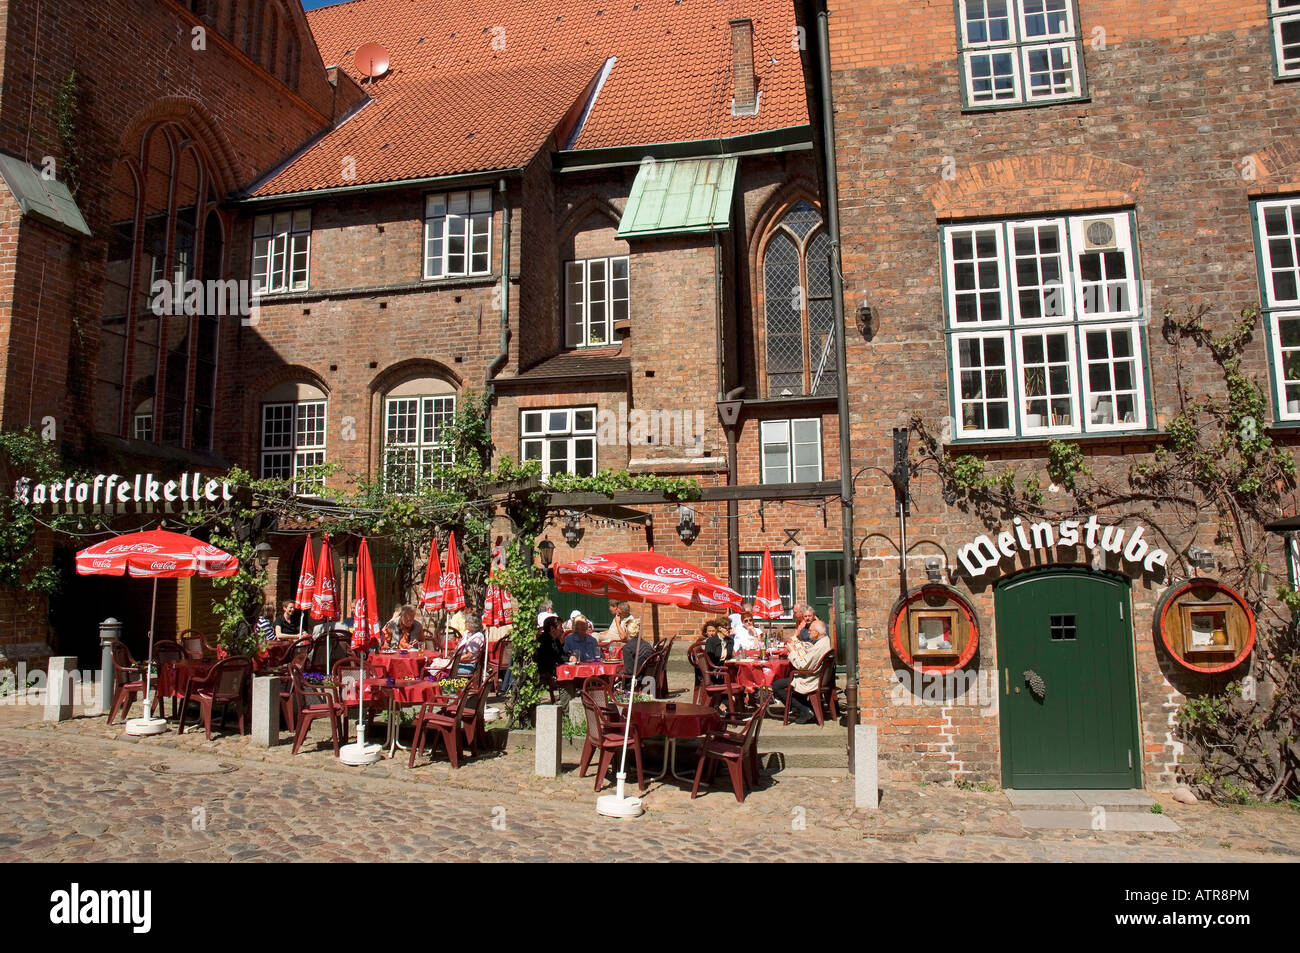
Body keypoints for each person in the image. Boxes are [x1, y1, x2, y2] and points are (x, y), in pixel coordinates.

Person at [771, 610, 833, 724]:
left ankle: (804, 710)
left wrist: (791, 652)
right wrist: (807, 647)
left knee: (776, 685)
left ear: (817, 632)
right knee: (785, 681)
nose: (808, 633)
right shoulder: (824, 641)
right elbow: (812, 657)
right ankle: (806, 708)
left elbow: (802, 665)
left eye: (810, 631)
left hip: (810, 679)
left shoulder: (819, 646)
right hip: (817, 677)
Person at [536, 615, 566, 680]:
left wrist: (570, 657)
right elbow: (557, 658)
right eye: (560, 627)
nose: (562, 630)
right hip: (547, 676)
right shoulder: (544, 641)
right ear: (552, 629)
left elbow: (562, 655)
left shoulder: (556, 640)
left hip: (555, 673)